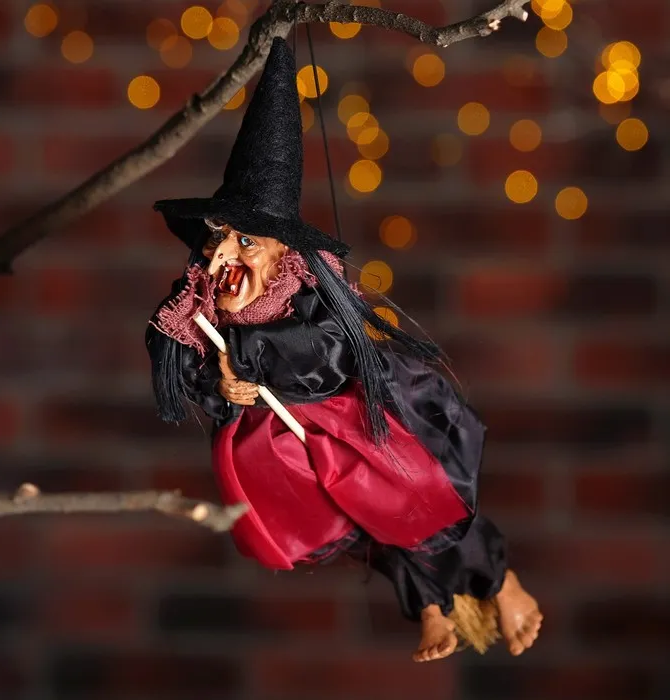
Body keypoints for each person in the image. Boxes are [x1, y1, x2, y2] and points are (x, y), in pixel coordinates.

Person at [146, 37, 542, 662]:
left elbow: (326, 354)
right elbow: (201, 373)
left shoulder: (301, 289)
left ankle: (500, 581)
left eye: (246, 241)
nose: (224, 254)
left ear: (282, 251)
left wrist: (248, 354)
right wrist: (223, 385)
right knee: (366, 527)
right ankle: (429, 605)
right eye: (220, 235)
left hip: (351, 423)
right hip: (291, 444)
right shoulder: (203, 299)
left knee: (416, 505)